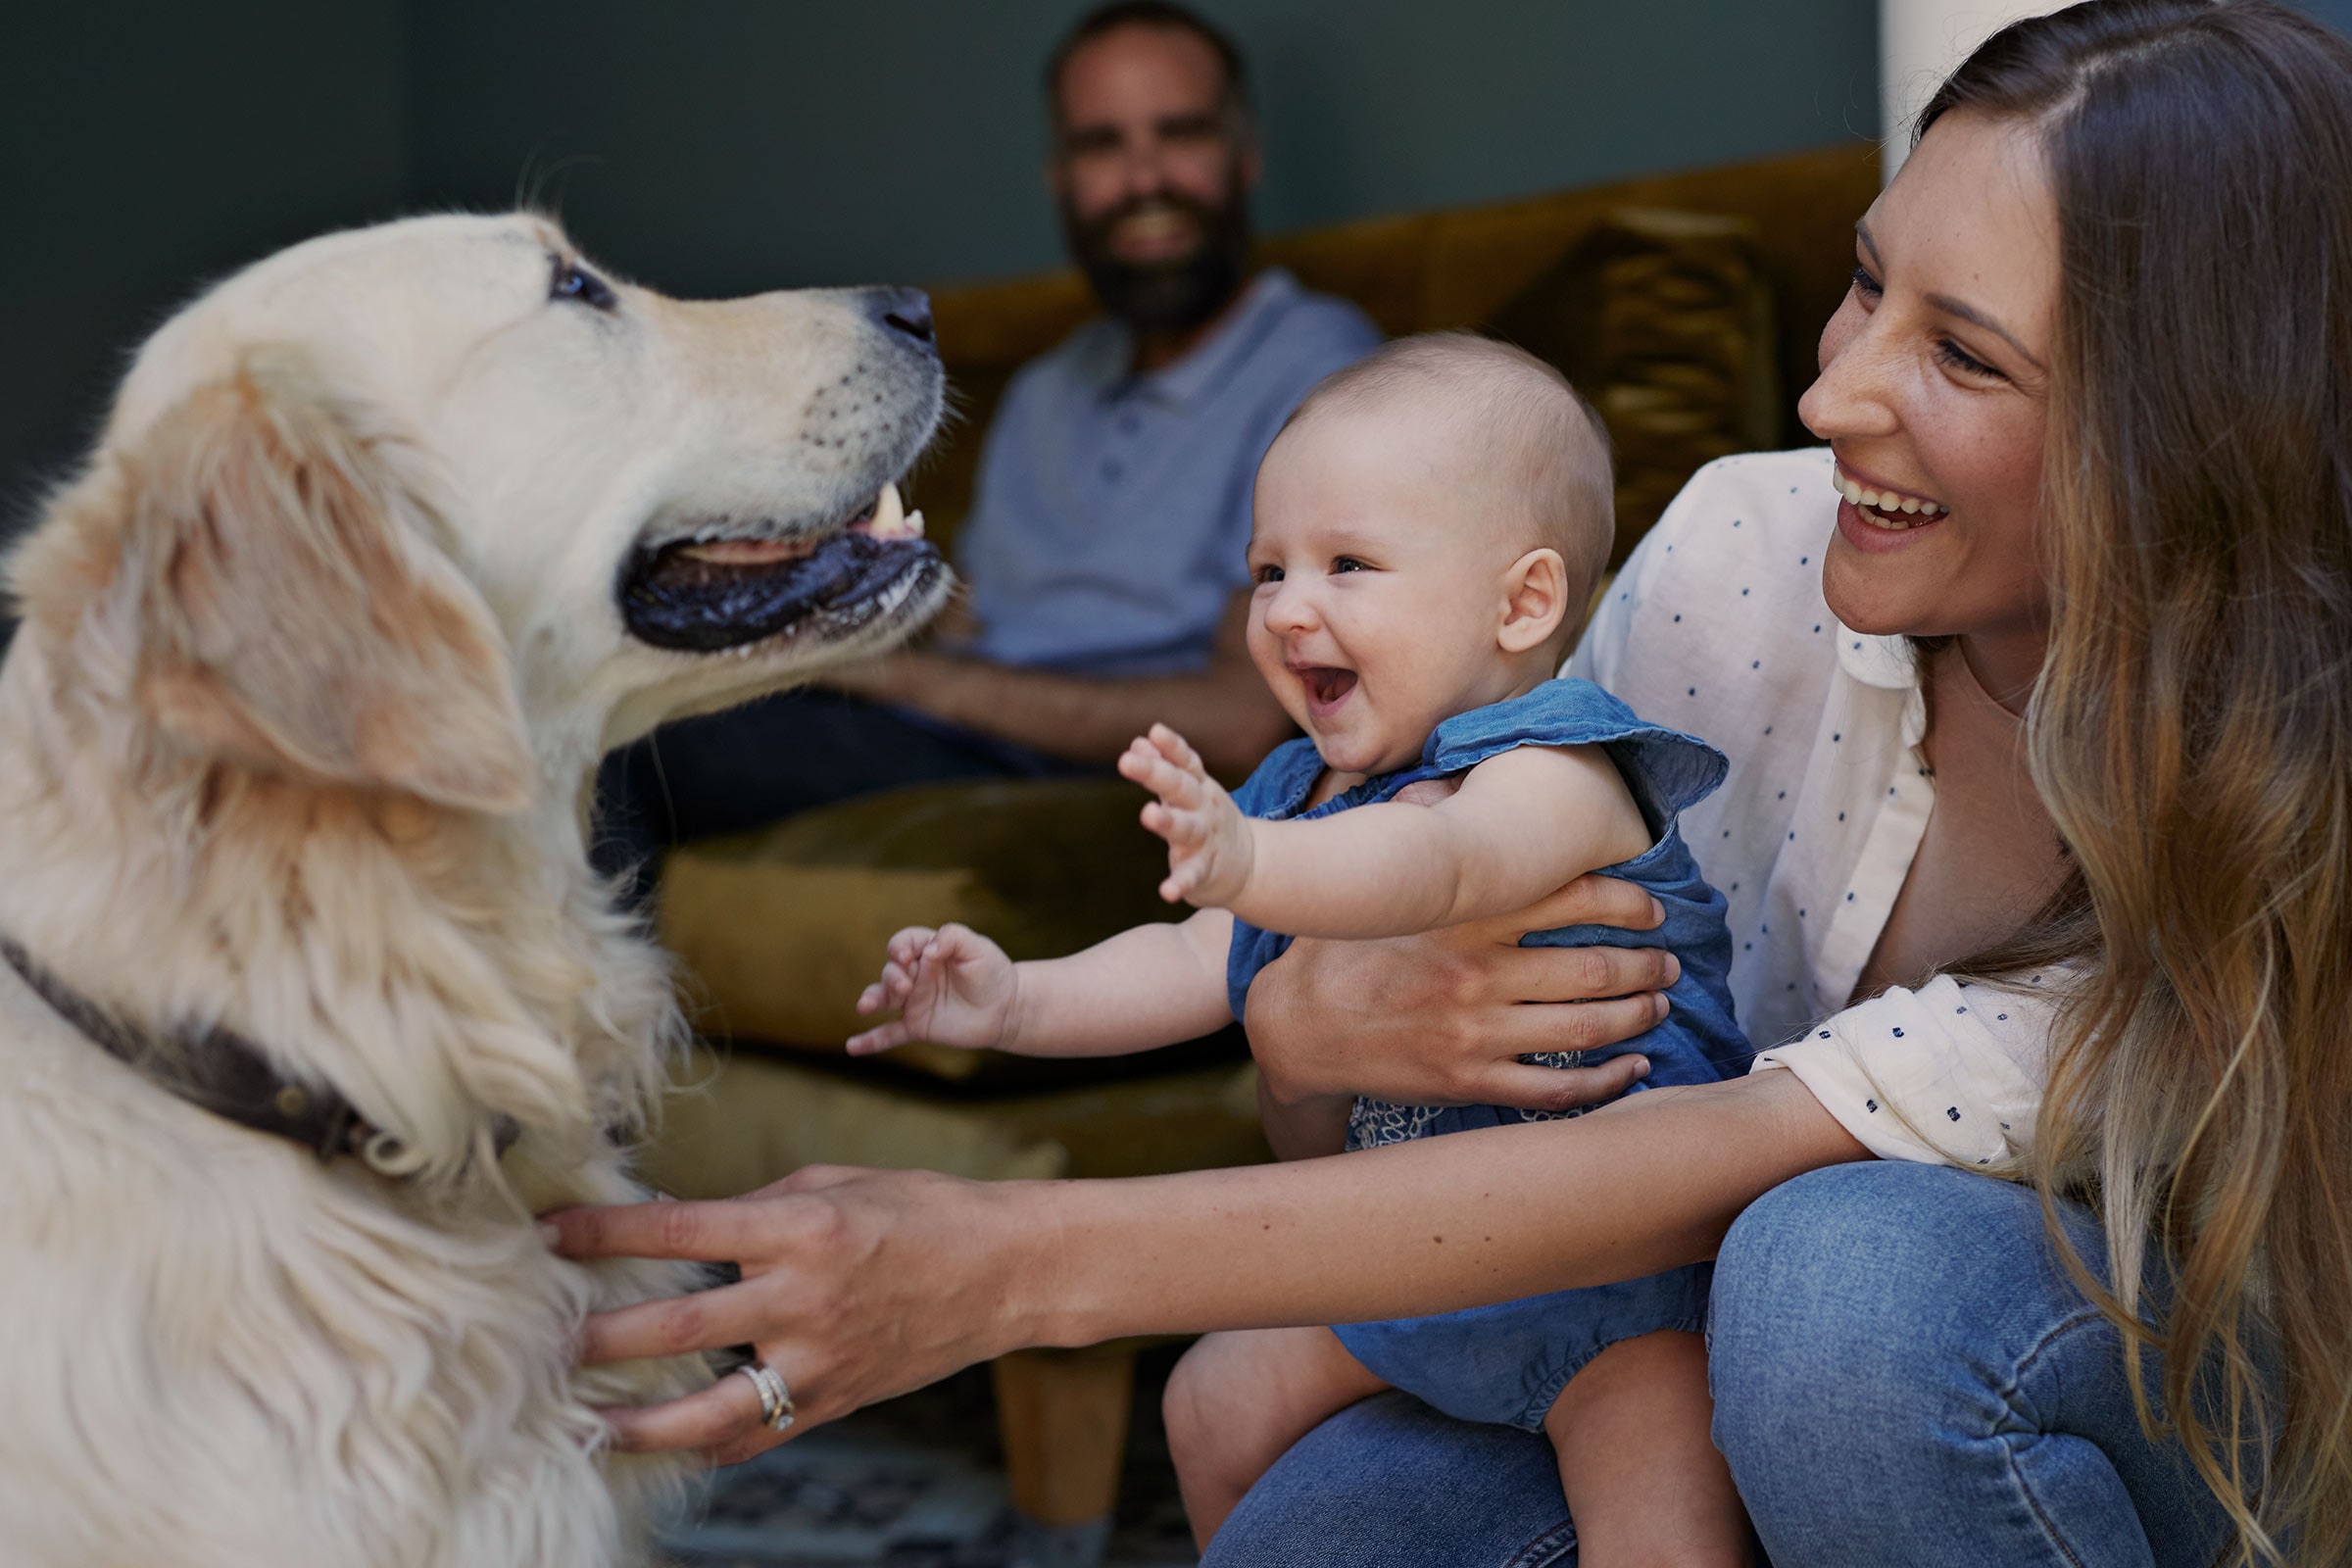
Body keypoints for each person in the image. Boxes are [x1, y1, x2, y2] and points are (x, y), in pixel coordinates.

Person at [549, 4, 2352, 1562]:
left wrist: (1000, 1266)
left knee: (1846, 1289)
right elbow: (1430, 1096)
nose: (1833, 397)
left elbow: (1702, 1166)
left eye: (1961, 356)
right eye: (1868, 284)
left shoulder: (2271, 778)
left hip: (2137, 1405)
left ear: (2175, 445)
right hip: (1668, 1330)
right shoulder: (1744, 548)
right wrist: (1309, 1038)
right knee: (1315, 1505)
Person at [847, 336, 1753, 1561]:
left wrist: (1255, 861)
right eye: (1267, 568)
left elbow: (1435, 867)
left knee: (1662, 1534)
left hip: (1620, 1291)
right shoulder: (1306, 791)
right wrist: (1010, 1002)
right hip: (1410, 1270)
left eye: (1349, 563)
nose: (1286, 607)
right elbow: (1189, 963)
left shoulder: (1560, 769)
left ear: (1523, 602)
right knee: (1208, 1401)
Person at [593, 1, 1380, 899]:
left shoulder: (1320, 369)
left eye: (1182, 133)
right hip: (945, 733)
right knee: (608, 698)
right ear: (1061, 178)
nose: (1143, 177)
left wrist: (897, 680)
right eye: (1101, 144)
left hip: (1089, 774)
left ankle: (563, 1042)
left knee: (627, 751)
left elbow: (1246, 721)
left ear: (1245, 158)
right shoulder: (1046, 388)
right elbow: (973, 618)